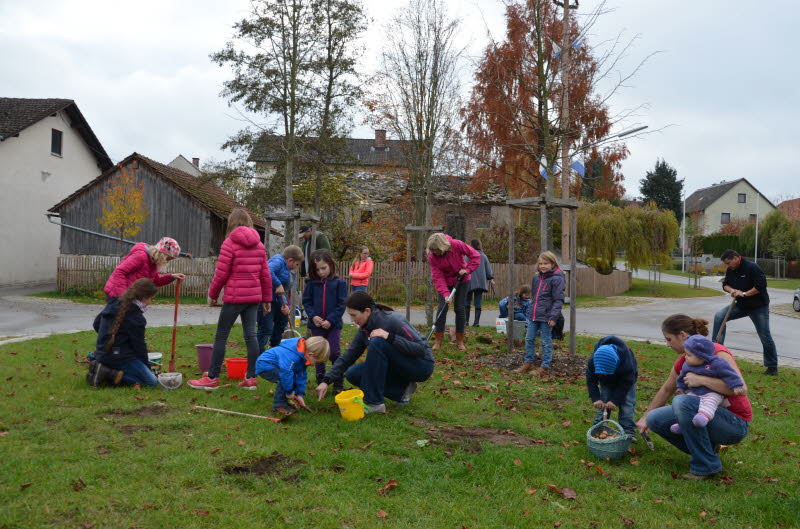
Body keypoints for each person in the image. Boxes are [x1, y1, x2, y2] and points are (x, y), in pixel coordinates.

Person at [637, 314, 752, 480]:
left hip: (734, 423)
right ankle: (708, 451)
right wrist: (645, 417)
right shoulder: (684, 361)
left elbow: (741, 389)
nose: (668, 345)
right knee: (655, 419)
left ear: (683, 335)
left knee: (683, 402)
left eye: (669, 339)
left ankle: (705, 466)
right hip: (709, 416)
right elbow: (667, 389)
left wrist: (701, 380)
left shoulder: (717, 353)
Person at [188, 209, 272, 390]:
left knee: (221, 336)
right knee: (251, 336)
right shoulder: (260, 245)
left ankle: (212, 377)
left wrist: (212, 295)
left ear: (231, 223)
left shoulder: (229, 243)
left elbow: (221, 274)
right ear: (249, 222)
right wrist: (267, 299)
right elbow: (265, 275)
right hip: (253, 298)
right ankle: (251, 378)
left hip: (234, 297)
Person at [315, 291, 434, 414]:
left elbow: (420, 349)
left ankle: (375, 403)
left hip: (421, 365)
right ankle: (402, 390)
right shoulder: (365, 329)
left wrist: (390, 337)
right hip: (397, 365)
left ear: (367, 311)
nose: (352, 320)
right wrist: (326, 380)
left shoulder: (393, 320)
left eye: (354, 315)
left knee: (377, 342)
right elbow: (348, 356)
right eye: (350, 315)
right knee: (353, 374)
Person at [712, 249, 778, 375]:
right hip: (741, 305)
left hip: (758, 306)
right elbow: (725, 284)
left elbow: (761, 286)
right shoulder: (731, 269)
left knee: (764, 335)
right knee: (719, 317)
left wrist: (744, 293)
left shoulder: (752, 267)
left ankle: (772, 366)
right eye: (726, 263)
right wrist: (731, 290)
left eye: (729, 262)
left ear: (736, 258)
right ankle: (717, 355)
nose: (727, 266)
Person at [89, 278, 159, 387]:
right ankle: (107, 372)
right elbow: (139, 347)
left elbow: (96, 324)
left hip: (103, 351)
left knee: (142, 374)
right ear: (145, 298)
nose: (150, 302)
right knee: (151, 382)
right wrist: (147, 368)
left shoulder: (113, 302)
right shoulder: (136, 318)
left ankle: (101, 366)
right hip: (119, 356)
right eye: (151, 299)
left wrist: (110, 341)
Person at [669, 335, 746, 433]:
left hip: (712, 392)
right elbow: (681, 377)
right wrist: (681, 387)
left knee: (710, 402)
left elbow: (730, 374)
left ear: (701, 356)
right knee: (685, 403)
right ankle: (683, 424)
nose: (685, 357)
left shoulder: (717, 363)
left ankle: (704, 416)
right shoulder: (687, 365)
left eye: (689, 355)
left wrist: (736, 385)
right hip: (695, 392)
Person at [303, 249, 348, 390]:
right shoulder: (311, 283)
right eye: (318, 269)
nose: (321, 272)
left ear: (330, 265)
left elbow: (342, 304)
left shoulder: (339, 283)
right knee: (317, 353)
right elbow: (307, 301)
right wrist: (313, 316)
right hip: (316, 325)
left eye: (324, 268)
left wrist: (330, 320)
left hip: (333, 325)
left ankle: (337, 381)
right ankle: (321, 379)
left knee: (334, 352)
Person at [427, 233, 481, 351]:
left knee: (459, 308)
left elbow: (475, 256)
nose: (435, 253)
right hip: (445, 282)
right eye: (433, 251)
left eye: (437, 250)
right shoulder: (432, 257)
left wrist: (467, 270)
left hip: (462, 279)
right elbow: (437, 277)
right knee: (442, 307)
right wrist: (446, 294)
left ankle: (460, 340)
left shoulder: (456, 245)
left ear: (443, 246)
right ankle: (438, 340)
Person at [514, 251, 564, 375]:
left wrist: (553, 317)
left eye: (546, 263)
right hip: (534, 315)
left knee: (546, 341)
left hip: (547, 317)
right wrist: (531, 311)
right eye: (540, 263)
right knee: (529, 338)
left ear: (552, 264)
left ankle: (545, 366)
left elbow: (558, 300)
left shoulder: (557, 278)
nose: (542, 266)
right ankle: (528, 363)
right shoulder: (536, 277)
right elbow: (535, 297)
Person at [255, 336, 330, 414]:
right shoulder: (293, 355)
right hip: (266, 365)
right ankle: (279, 405)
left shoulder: (304, 356)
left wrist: (299, 394)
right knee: (284, 380)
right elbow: (285, 373)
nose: (315, 365)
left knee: (289, 380)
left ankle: (284, 403)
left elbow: (301, 375)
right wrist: (289, 391)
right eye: (316, 362)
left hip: (279, 367)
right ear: (310, 354)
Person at [585, 336, 638, 438]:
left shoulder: (626, 363)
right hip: (606, 383)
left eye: (607, 373)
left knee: (627, 404)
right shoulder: (593, 361)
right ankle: (599, 426)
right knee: (604, 401)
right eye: (603, 374)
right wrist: (596, 398)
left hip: (626, 381)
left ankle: (628, 430)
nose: (605, 375)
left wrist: (615, 400)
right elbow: (591, 380)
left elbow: (626, 383)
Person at [103, 237, 184, 300]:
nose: (167, 262)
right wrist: (124, 295)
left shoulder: (152, 263)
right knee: (114, 319)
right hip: (117, 294)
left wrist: (172, 276)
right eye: (168, 259)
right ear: (163, 255)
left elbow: (156, 281)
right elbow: (119, 272)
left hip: (130, 296)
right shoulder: (141, 256)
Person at [258, 245, 303, 352]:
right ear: (290, 260)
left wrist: (286, 305)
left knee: (282, 322)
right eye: (296, 264)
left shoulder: (289, 269)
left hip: (278, 300)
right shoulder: (278, 261)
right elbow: (267, 271)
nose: (296, 267)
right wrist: (277, 284)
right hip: (266, 300)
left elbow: (283, 290)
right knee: (266, 329)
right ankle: (257, 356)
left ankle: (274, 350)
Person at [465, 239, 494, 327]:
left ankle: (466, 322)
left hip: (469, 281)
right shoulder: (483, 256)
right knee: (478, 302)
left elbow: (463, 266)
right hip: (480, 283)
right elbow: (488, 269)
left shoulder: (467, 256)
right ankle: (476, 323)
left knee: (467, 301)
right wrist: (491, 278)